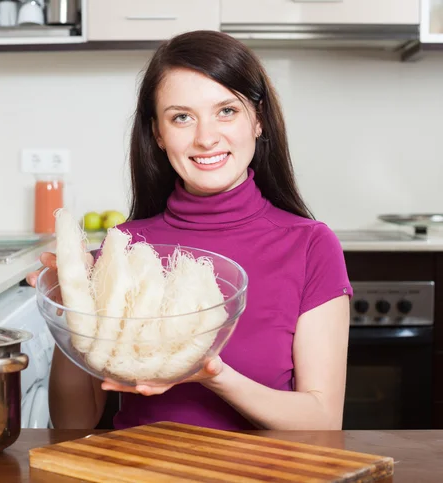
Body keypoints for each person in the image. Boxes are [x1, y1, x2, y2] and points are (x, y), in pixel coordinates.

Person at [26, 29, 352, 432]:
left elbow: (322, 420)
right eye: (182, 117)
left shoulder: (310, 245)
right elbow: (74, 422)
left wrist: (213, 374)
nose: (206, 137)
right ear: (158, 134)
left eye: (226, 111)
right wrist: (70, 305)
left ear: (259, 120)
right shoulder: (122, 249)